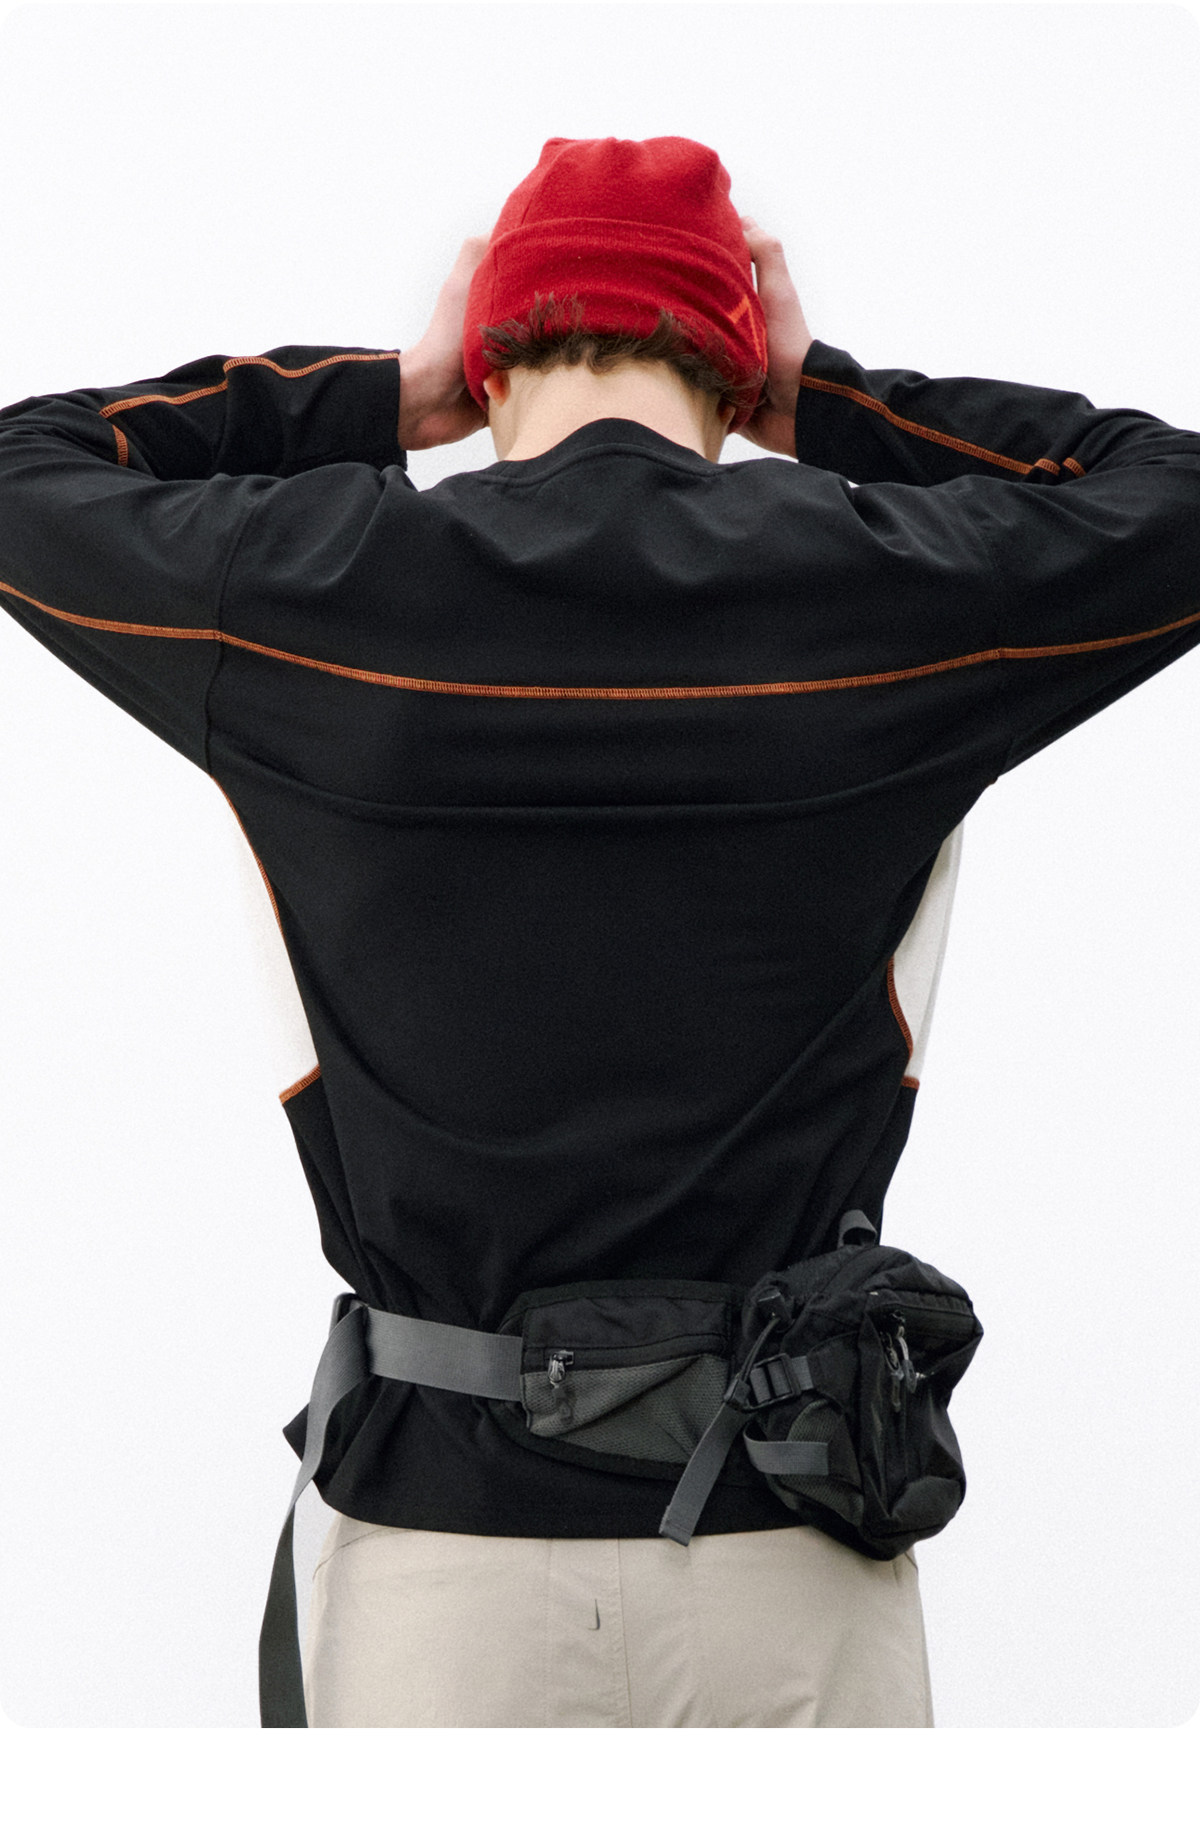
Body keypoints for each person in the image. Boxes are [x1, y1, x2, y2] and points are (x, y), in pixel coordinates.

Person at [1, 134, 1198, 1731]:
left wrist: (380, 397)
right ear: (732, 362)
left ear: (489, 356)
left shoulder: (312, 588)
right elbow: (1172, 498)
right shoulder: (887, 594)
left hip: (438, 1559)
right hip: (788, 1550)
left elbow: (25, 472)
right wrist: (830, 403)